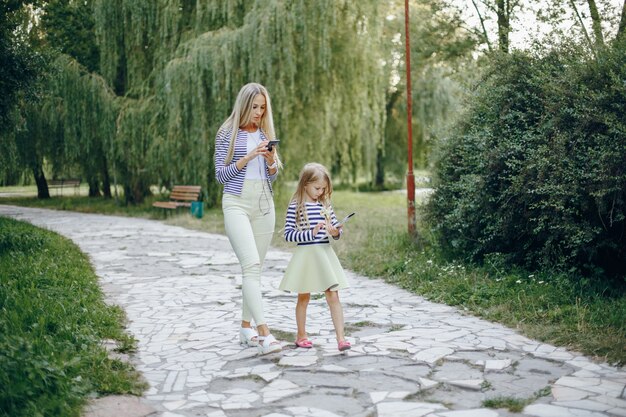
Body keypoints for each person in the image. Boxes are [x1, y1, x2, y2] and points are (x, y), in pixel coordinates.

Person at [214, 82, 282, 354]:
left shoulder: (266, 133)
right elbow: (221, 175)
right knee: (251, 265)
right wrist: (248, 157)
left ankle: (246, 327)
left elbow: (274, 175)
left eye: (263, 107)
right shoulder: (227, 133)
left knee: (254, 269)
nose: (259, 112)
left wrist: (269, 160)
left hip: (264, 205)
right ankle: (264, 332)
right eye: (254, 107)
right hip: (236, 204)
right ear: (244, 105)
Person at [279, 162, 352, 352]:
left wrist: (335, 232)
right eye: (317, 188)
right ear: (305, 184)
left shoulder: (325, 206)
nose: (320, 192)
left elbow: (335, 231)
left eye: (323, 189)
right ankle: (301, 335)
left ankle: (341, 338)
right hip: (306, 256)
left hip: (324, 255)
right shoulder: (296, 207)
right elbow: (288, 234)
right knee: (304, 297)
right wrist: (310, 232)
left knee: (333, 295)